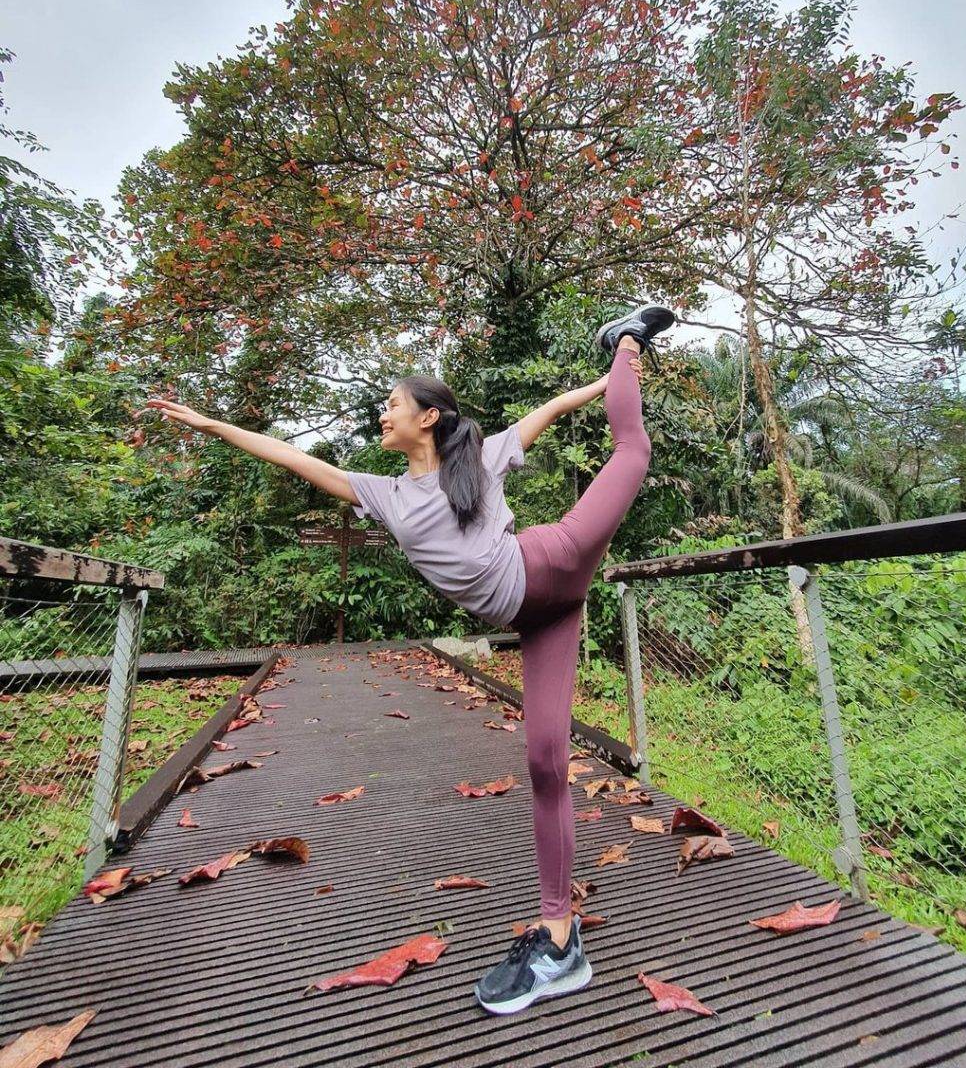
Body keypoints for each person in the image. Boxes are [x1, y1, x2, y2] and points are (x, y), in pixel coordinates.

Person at [144, 301, 677, 1015]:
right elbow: (300, 461)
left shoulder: (479, 460)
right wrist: (212, 427)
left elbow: (549, 410)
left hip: (555, 559)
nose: (382, 416)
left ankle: (627, 340)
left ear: (428, 416)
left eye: (393, 405)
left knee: (633, 453)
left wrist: (612, 375)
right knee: (547, 761)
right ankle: (559, 939)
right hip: (543, 616)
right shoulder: (386, 496)